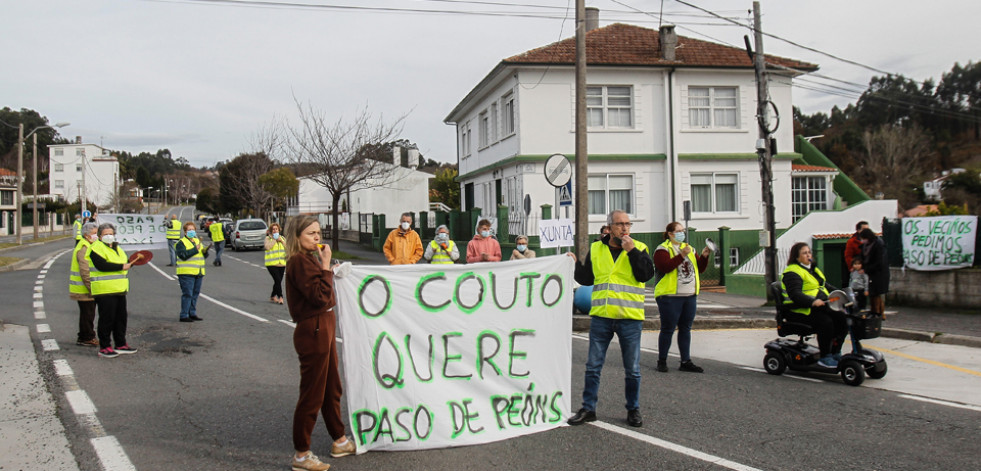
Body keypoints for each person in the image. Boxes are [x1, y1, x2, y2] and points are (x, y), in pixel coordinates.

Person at [567, 210, 653, 428]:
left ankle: (633, 409)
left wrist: (632, 251)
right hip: (602, 316)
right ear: (609, 227)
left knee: (632, 369)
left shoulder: (640, 248)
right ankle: (588, 408)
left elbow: (645, 274)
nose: (624, 228)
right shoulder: (597, 248)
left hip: (629, 317)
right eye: (619, 224)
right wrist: (575, 264)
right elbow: (586, 278)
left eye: (627, 224)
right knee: (593, 366)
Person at [283, 216, 355, 470]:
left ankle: (340, 439)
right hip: (314, 328)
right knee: (312, 393)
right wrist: (326, 268)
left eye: (318, 233)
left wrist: (328, 270)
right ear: (297, 236)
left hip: (322, 325)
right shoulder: (299, 262)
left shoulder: (307, 259)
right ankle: (301, 454)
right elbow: (319, 296)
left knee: (330, 388)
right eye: (311, 233)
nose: (317, 238)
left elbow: (319, 291)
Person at [653, 222, 712, 373]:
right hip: (670, 296)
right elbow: (665, 267)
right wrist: (681, 255)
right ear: (670, 234)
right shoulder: (662, 249)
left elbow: (699, 268)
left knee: (686, 328)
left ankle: (685, 360)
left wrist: (704, 256)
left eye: (683, 231)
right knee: (668, 328)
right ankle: (662, 360)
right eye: (678, 231)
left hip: (689, 295)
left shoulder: (689, 248)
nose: (682, 233)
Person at [781, 242, 847, 368]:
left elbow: (824, 285)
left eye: (809, 252)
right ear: (796, 257)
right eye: (804, 253)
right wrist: (812, 301)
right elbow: (795, 294)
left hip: (819, 307)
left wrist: (840, 294)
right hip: (799, 310)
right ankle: (825, 356)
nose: (808, 255)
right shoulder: (792, 272)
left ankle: (835, 351)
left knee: (842, 319)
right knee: (826, 322)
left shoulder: (813, 269)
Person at [87, 223, 142, 358]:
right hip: (104, 290)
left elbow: (125, 263)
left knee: (120, 318)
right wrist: (122, 266)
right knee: (107, 319)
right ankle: (105, 347)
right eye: (105, 234)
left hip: (119, 289)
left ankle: (120, 344)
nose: (109, 236)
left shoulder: (118, 248)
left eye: (111, 234)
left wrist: (135, 260)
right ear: (99, 236)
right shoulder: (96, 248)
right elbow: (102, 266)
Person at [70, 222, 99, 347]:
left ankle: (85, 335)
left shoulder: (89, 245)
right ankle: (86, 337)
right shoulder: (84, 248)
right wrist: (92, 288)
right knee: (88, 314)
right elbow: (85, 271)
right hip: (84, 289)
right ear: (87, 235)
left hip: (85, 288)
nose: (96, 236)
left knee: (88, 313)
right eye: (94, 234)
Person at [176, 222, 209, 323]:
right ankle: (184, 314)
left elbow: (203, 256)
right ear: (185, 232)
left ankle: (192, 313)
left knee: (195, 294)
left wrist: (205, 252)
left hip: (198, 272)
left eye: (193, 230)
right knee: (187, 294)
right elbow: (183, 255)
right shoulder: (181, 243)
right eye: (189, 230)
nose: (191, 232)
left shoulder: (197, 241)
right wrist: (195, 249)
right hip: (186, 273)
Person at [859, 228, 890, 318]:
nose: (862, 241)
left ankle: (878, 312)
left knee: (876, 293)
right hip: (871, 272)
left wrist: (866, 269)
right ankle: (874, 311)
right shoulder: (866, 246)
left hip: (878, 273)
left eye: (863, 238)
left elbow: (879, 262)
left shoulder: (878, 245)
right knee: (872, 293)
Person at [264, 223, 287, 304]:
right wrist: (274, 240)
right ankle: (280, 297)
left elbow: (288, 248)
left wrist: (282, 242)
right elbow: (267, 247)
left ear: (279, 230)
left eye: (276, 229)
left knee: (278, 281)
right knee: (277, 280)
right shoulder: (268, 239)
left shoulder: (283, 238)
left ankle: (273, 296)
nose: (275, 230)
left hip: (282, 263)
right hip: (271, 264)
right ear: (271, 231)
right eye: (273, 229)